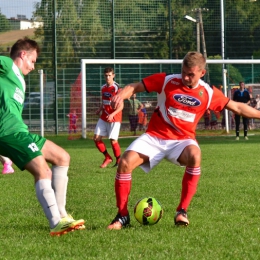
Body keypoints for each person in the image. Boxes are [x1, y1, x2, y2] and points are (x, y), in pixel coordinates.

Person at [107, 51, 260, 230]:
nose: (185, 77)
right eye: (183, 72)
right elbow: (135, 87)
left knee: (195, 155)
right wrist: (120, 96)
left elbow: (237, 107)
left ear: (202, 73)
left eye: (191, 74)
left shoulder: (208, 92)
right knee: (125, 162)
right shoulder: (167, 81)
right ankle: (122, 216)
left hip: (182, 141)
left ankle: (182, 211)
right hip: (155, 137)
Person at [0, 38, 84, 236]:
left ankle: (62, 215)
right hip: (9, 133)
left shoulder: (19, 78)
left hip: (21, 132)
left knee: (62, 157)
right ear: (22, 55)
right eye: (33, 60)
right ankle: (55, 223)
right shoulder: (8, 65)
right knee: (43, 171)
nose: (33, 65)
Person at [93, 67, 123, 168]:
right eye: (106, 75)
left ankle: (119, 160)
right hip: (104, 116)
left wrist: (112, 114)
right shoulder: (103, 88)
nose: (108, 77)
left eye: (110, 75)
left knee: (113, 140)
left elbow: (121, 105)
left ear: (113, 76)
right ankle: (108, 157)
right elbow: (104, 102)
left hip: (115, 117)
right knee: (96, 138)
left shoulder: (116, 88)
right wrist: (99, 109)